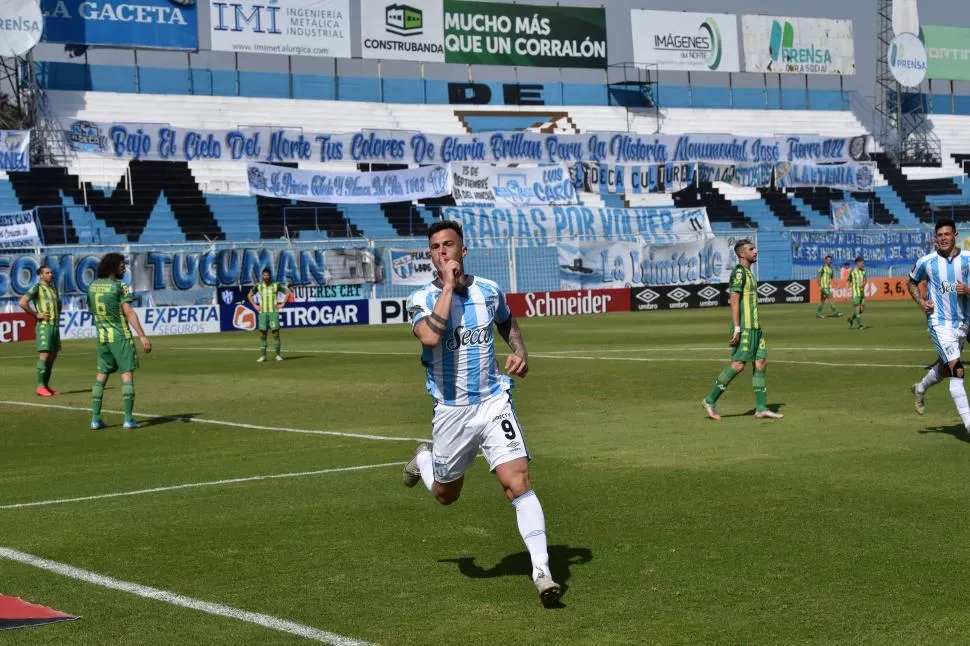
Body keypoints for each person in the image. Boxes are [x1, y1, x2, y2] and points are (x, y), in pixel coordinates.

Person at [401, 220, 561, 605]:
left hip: (493, 402)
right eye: (436, 247)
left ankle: (542, 572)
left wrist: (520, 351)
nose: (443, 251)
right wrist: (449, 286)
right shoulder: (421, 298)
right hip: (452, 411)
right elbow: (431, 337)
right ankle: (423, 459)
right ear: (431, 256)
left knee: (517, 482)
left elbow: (507, 320)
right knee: (446, 496)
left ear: (463, 249)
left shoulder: (488, 290)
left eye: (449, 244)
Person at [702, 239, 784, 421]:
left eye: (755, 248)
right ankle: (709, 400)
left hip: (756, 327)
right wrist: (737, 328)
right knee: (738, 365)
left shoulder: (748, 273)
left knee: (761, 362)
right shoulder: (739, 272)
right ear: (741, 254)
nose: (755, 251)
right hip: (745, 328)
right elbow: (734, 301)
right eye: (751, 249)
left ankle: (761, 408)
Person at [909, 219, 970, 425]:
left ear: (955, 236)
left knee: (944, 369)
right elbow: (912, 282)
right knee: (956, 370)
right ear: (936, 238)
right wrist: (921, 301)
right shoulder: (927, 261)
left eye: (947, 234)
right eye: (940, 235)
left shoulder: (968, 259)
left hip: (962, 324)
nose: (943, 238)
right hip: (939, 323)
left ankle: (920, 388)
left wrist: (968, 290)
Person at [88, 253, 152, 430]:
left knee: (101, 376)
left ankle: (95, 419)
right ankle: (128, 419)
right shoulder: (119, 286)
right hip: (120, 336)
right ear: (112, 267)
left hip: (102, 337)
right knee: (127, 375)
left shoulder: (92, 286)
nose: (124, 268)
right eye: (121, 265)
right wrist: (142, 335)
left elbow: (91, 310)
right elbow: (129, 311)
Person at [19, 265, 62, 397]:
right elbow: (22, 302)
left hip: (54, 326)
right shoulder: (36, 288)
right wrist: (36, 314)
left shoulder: (53, 289)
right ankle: (40, 386)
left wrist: (58, 312)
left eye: (51, 272)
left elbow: (58, 303)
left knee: (53, 356)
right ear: (41, 275)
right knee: (45, 355)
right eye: (47, 273)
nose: (50, 275)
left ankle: (46, 386)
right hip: (44, 326)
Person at [248, 269, 290, 362]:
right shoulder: (258, 285)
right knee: (263, 334)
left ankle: (277, 355)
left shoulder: (276, 285)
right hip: (263, 313)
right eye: (264, 275)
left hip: (273, 312)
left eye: (267, 275)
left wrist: (282, 304)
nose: (266, 277)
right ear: (262, 276)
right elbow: (249, 295)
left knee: (276, 333)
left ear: (270, 275)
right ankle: (263, 356)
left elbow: (288, 292)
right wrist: (255, 306)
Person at [816, 255, 843, 319]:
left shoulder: (830, 268)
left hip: (827, 286)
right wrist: (819, 286)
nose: (829, 261)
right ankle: (834, 312)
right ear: (825, 260)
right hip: (823, 286)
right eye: (828, 260)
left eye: (830, 260)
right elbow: (818, 277)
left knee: (822, 300)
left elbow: (832, 277)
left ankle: (818, 313)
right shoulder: (822, 267)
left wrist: (836, 284)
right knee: (830, 297)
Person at [846, 257, 868, 330]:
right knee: (858, 309)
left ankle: (851, 320)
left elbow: (865, 280)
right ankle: (860, 325)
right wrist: (847, 290)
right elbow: (848, 281)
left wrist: (863, 284)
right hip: (855, 293)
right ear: (858, 263)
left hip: (861, 293)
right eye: (862, 263)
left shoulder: (863, 271)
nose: (863, 264)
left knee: (862, 310)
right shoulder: (852, 271)